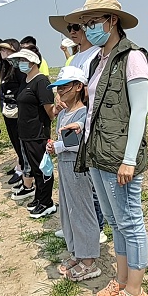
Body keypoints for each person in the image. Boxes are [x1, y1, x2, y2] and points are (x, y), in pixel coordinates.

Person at [64, 0, 148, 296]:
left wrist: (129, 159)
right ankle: (122, 279)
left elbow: (139, 111)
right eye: (85, 23)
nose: (88, 28)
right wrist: (82, 125)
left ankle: (135, 292)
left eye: (93, 22)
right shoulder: (97, 61)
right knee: (115, 222)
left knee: (130, 221)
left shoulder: (133, 57)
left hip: (119, 156)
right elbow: (97, 108)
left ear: (113, 20)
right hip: (97, 151)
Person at [48, 10, 107, 244]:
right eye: (69, 29)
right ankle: (77, 226)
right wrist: (59, 97)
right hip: (71, 116)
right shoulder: (73, 59)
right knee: (73, 183)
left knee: (90, 181)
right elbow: (63, 84)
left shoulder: (97, 54)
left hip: (87, 117)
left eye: (76, 27)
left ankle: (96, 227)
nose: (72, 32)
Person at [47, 66, 102, 281]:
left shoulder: (84, 113)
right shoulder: (63, 113)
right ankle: (78, 252)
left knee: (82, 210)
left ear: (79, 87)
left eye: (65, 87)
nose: (60, 91)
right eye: (58, 87)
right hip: (64, 165)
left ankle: (89, 261)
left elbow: (83, 143)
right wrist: (54, 146)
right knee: (68, 210)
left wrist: (59, 146)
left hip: (79, 167)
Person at [6, 46, 57, 218]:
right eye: (19, 60)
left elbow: (50, 110)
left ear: (33, 62)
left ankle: (47, 202)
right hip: (25, 133)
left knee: (43, 169)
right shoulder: (26, 80)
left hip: (38, 133)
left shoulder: (41, 81)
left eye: (23, 60)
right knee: (34, 169)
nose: (20, 63)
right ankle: (39, 197)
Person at [0, 39, 29, 187]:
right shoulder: (5, 68)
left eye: (5, 49)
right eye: (1, 50)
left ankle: (24, 172)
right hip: (9, 112)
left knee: (22, 143)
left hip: (19, 112)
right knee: (15, 140)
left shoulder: (19, 67)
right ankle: (20, 167)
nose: (3, 53)